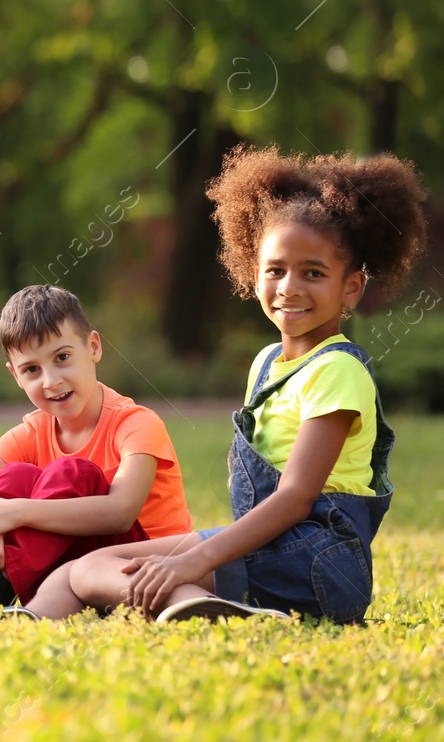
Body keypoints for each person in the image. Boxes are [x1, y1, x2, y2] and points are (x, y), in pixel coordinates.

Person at [70, 146, 428, 623]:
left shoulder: (337, 370)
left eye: (314, 273)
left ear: (352, 286)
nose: (290, 287)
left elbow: (297, 497)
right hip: (271, 549)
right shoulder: (266, 363)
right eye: (275, 270)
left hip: (316, 566)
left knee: (128, 570)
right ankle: (25, 614)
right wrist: (191, 558)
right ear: (251, 271)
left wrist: (196, 559)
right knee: (88, 567)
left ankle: (197, 605)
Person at [0, 285, 191, 621]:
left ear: (93, 347)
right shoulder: (34, 430)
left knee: (73, 472)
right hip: (63, 564)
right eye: (31, 369)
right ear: (15, 375)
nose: (51, 381)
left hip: (141, 561)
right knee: (16, 476)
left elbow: (120, 512)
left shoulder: (136, 423)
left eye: (62, 358)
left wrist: (15, 513)